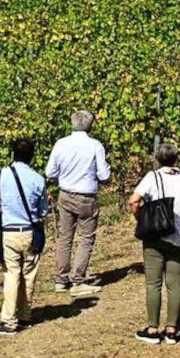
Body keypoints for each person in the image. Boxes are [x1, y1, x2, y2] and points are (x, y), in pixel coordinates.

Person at [0, 138, 49, 336]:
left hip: (9, 232)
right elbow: (44, 211)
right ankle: (25, 315)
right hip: (30, 232)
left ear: (13, 154)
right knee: (29, 274)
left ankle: (9, 321)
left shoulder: (1, 174)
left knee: (11, 274)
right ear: (32, 156)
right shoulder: (38, 179)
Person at [128, 141, 180, 345]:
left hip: (154, 236)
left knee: (153, 283)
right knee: (175, 284)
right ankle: (172, 329)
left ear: (157, 158)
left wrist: (140, 219)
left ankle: (152, 328)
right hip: (178, 236)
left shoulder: (152, 177)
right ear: (177, 158)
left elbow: (133, 200)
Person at [45, 110, 110, 298]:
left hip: (65, 195)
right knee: (86, 238)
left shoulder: (61, 144)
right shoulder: (95, 145)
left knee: (65, 237)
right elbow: (104, 175)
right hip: (86, 197)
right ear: (90, 125)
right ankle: (78, 280)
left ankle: (60, 279)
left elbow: (50, 172)